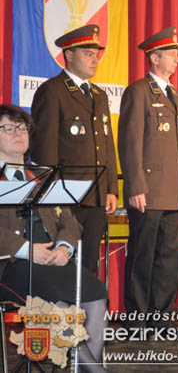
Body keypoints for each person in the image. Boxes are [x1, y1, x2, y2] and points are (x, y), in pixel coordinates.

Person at [0, 104, 109, 373]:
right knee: (57, 303)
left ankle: (87, 368)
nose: (19, 133)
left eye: (23, 127)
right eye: (9, 128)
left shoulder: (42, 175)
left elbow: (69, 222)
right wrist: (27, 250)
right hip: (12, 266)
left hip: (54, 261)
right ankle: (95, 370)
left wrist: (64, 248)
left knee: (96, 294)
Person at [118, 27, 178, 329]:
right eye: (172, 55)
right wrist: (135, 185)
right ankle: (137, 321)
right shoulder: (139, 91)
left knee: (168, 260)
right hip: (149, 191)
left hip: (176, 192)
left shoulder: (174, 94)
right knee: (142, 258)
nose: (177, 61)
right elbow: (130, 141)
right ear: (154, 58)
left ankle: (160, 319)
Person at [30, 24, 118, 275]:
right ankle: (66, 314)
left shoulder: (99, 95)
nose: (95, 59)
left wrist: (111, 188)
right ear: (68, 55)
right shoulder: (53, 91)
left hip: (97, 195)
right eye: (88, 53)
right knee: (65, 265)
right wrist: (52, 195)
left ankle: (87, 313)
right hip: (67, 195)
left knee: (89, 264)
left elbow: (106, 145)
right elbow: (44, 150)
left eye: (96, 54)